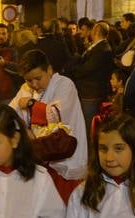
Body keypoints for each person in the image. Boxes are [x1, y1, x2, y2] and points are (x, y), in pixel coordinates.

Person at [9, 49, 88, 203]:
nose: (34, 84)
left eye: (38, 78)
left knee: (67, 205)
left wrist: (31, 104)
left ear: (50, 70)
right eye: (28, 80)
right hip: (39, 157)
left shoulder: (64, 84)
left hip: (63, 158)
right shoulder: (25, 89)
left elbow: (56, 114)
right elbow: (10, 113)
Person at [68, 20, 115, 134]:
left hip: (91, 92)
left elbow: (87, 69)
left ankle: (89, 147)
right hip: (87, 90)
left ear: (97, 31)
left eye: (93, 29)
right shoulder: (96, 46)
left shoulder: (102, 49)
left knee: (89, 124)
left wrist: (75, 66)